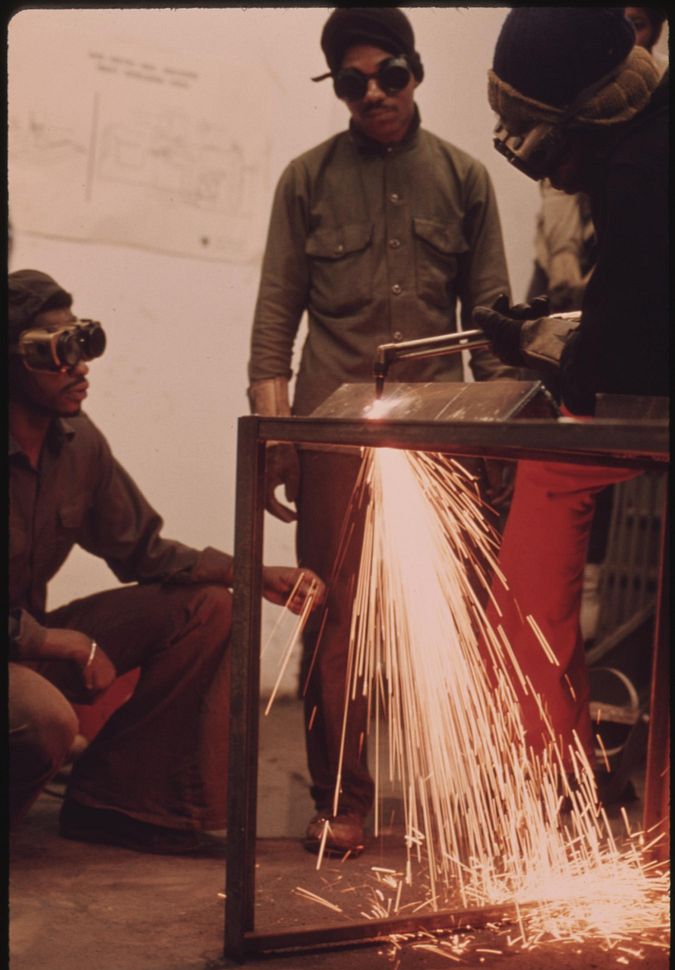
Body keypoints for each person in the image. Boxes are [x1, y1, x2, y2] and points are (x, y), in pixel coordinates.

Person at [247, 7, 520, 856]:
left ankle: (461, 801)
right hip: (333, 438)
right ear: (338, 88)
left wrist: (496, 449)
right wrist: (277, 440)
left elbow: (491, 331)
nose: (374, 95)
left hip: (438, 433)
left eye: (389, 75)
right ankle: (343, 799)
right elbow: (272, 328)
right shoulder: (305, 180)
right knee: (338, 623)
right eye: (353, 82)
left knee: (443, 618)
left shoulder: (466, 180)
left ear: (415, 71)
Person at [9, 268, 325, 854]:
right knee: (47, 717)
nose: (79, 367)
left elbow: (144, 552)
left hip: (25, 650)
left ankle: (120, 804)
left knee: (207, 609)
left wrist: (254, 575)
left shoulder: (77, 442)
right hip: (21, 653)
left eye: (83, 345)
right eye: (57, 352)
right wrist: (67, 645)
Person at [471, 8, 668, 790]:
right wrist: (561, 329)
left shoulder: (640, 170)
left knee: (554, 467)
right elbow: (634, 298)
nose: (543, 166)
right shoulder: (647, 141)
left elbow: (630, 346)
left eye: (540, 138)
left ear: (586, 116)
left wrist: (541, 347)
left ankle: (531, 757)